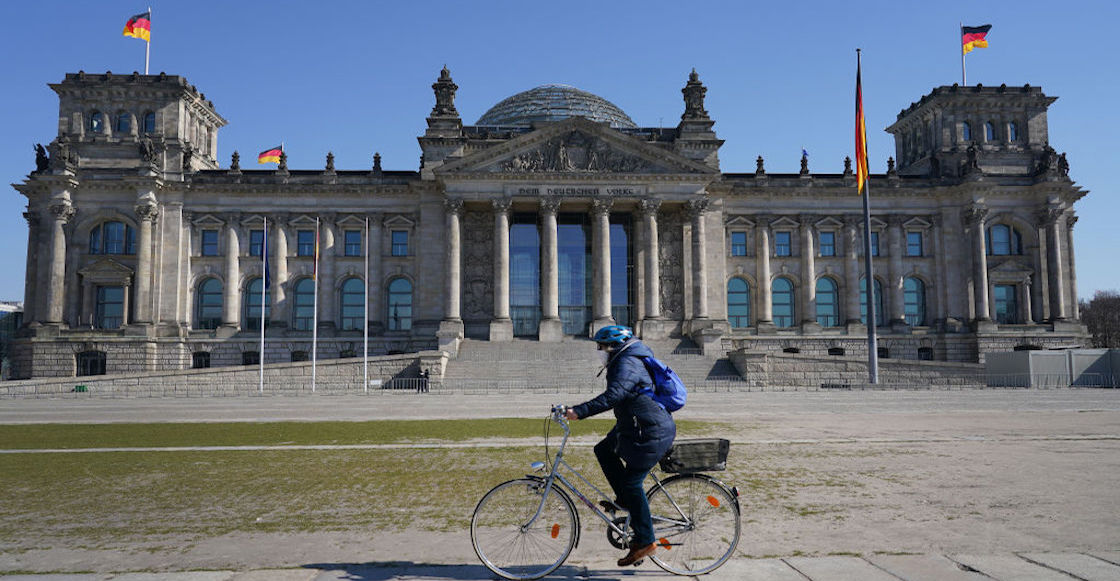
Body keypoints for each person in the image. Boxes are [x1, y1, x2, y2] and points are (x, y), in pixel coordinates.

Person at [564, 325, 676, 567]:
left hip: (650, 430)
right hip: (635, 425)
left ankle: (646, 541)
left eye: (601, 347)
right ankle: (625, 500)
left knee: (633, 482)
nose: (599, 351)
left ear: (613, 346)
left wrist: (579, 411)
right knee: (603, 449)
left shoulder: (627, 363)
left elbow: (613, 395)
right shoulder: (623, 360)